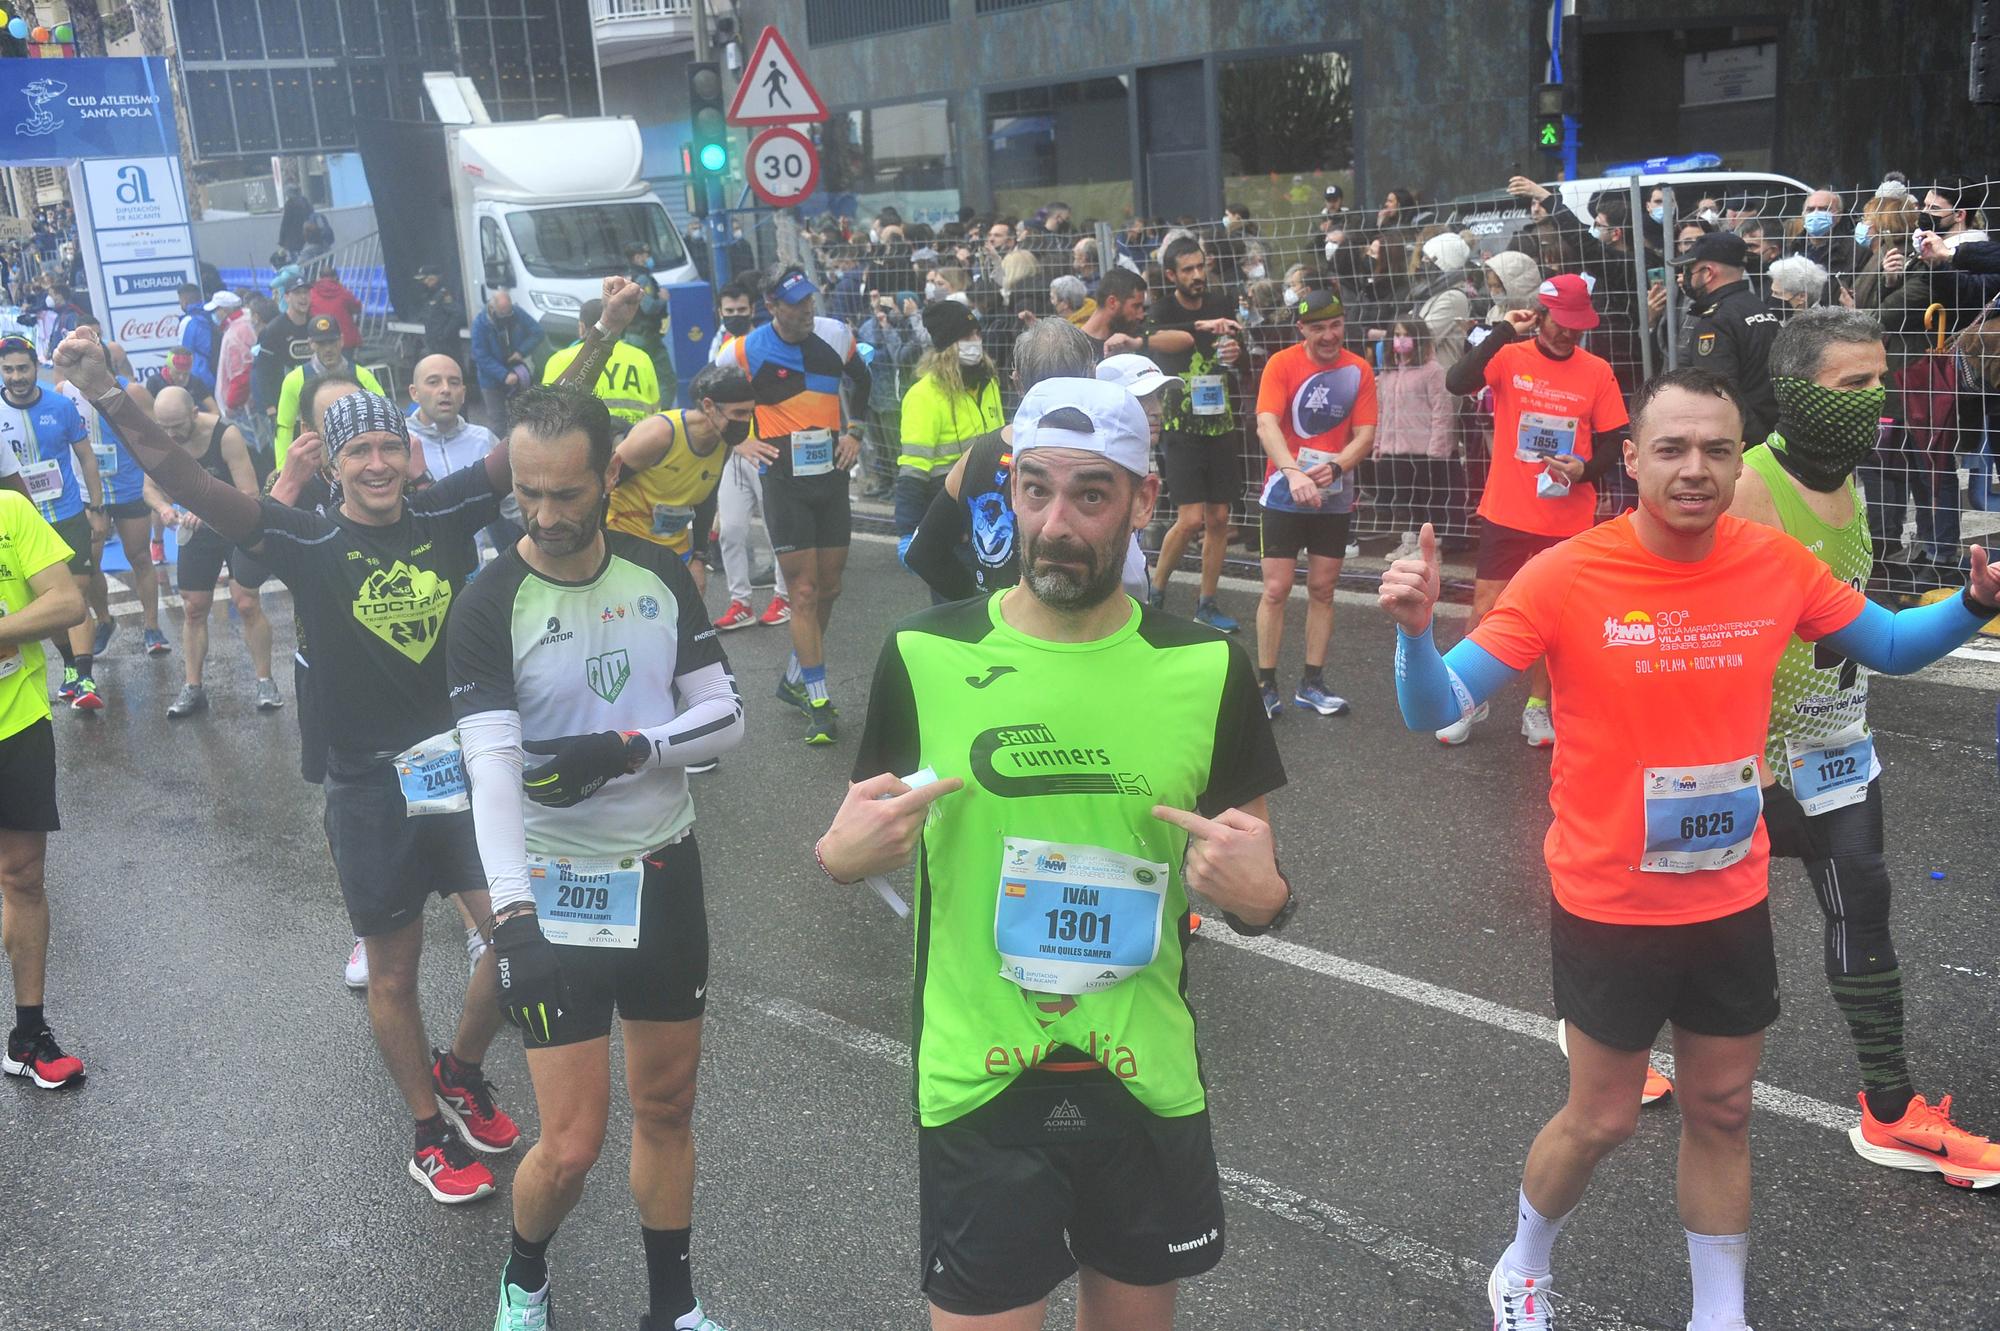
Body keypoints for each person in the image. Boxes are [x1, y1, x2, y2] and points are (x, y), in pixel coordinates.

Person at [1381, 365, 2000, 1331]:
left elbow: (1884, 642)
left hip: (1727, 895)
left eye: (1717, 448)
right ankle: (1522, 1266)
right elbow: (1435, 705)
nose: (1696, 468)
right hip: (1609, 902)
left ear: (1736, 458)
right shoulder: (1566, 573)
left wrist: (1970, 602)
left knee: (1723, 1109)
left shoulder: (1774, 562)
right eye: (1671, 448)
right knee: (1604, 1117)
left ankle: (1721, 1314)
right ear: (1631, 461)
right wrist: (1417, 636)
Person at [56, 279, 642, 1202]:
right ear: (334, 464)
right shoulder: (304, 535)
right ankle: (423, 1129)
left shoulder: (446, 511)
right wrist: (107, 391)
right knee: (397, 971)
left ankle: (461, 1066)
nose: (375, 463)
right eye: (357, 449)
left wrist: (603, 333)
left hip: (462, 775)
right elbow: (182, 475)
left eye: (386, 446)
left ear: (409, 453)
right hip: (366, 787)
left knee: (519, 940)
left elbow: (545, 422)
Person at [818, 374, 1292, 1331]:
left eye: (1090, 494)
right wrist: (838, 855)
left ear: (1143, 500)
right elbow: (852, 836)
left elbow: (1256, 875)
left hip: (1140, 1073)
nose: (1057, 523)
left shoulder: (1205, 668)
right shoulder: (924, 654)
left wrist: (1265, 899)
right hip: (982, 1076)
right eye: (1035, 490)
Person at [447, 385, 746, 1331]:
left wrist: (633, 749)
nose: (544, 514)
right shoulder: (492, 598)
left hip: (663, 871)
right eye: (526, 494)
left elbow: (725, 718)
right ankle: (525, 1275)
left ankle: (674, 1305)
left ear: (608, 470)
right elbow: (491, 773)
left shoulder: (659, 570)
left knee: (667, 1105)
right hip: (557, 893)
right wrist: (511, 919)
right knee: (571, 1143)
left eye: (566, 492)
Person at [1710, 309, 2000, 1184]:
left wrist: (1976, 599)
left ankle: (1889, 1109)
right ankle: (1603, 1040)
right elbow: (1708, 635)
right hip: (1748, 761)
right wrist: (1745, 764)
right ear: (1795, 392)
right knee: (1697, 930)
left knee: (1861, 909)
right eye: (1852, 385)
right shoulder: (1749, 488)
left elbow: (1874, 634)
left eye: (1879, 381)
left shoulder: (1853, 480)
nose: (1875, 401)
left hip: (1838, 747)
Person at [1438, 274, 1628, 748]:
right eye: (1561, 322)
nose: (1569, 333)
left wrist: (1583, 470)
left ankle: (1539, 707)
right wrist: (1503, 329)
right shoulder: (1509, 355)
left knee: (1555, 619)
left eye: (1577, 325)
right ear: (1538, 316)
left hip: (1567, 516)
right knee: (1486, 608)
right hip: (1507, 508)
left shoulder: (1596, 371)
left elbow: (1614, 442)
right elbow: (1457, 381)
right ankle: (1467, 698)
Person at [733, 266, 870, 745]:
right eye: (797, 303)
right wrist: (741, 441)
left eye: (810, 300)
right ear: (772, 306)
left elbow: (864, 382)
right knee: (804, 592)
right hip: (785, 485)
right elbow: (710, 396)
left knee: (830, 587)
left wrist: (854, 433)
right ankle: (818, 701)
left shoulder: (834, 339)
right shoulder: (746, 349)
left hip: (830, 480)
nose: (808, 309)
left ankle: (795, 678)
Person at [901, 318, 1105, 601]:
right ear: (1093, 376)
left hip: (997, 630)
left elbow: (923, 552)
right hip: (1082, 632)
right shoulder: (1108, 460)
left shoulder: (980, 453)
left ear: (1017, 381)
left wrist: (975, 603)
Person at [1251, 289, 1376, 719]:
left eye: (1335, 325)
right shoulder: (1281, 364)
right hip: (1284, 490)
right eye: (1318, 327)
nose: (1329, 335)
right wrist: (1291, 471)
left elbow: (1364, 435)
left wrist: (1338, 467)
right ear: (1301, 329)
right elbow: (1266, 422)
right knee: (1276, 589)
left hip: (1334, 494)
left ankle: (1312, 683)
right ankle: (1266, 684)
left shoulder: (1358, 369)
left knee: (1323, 589)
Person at [0, 483, 88, 1090]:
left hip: (17, 722)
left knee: (23, 876)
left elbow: (67, 603)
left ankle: (28, 1034)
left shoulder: (9, 512)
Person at [145, 387, 281, 718]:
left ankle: (265, 681)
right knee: (193, 609)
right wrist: (164, 508)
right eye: (164, 427)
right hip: (197, 532)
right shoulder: (161, 438)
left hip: (234, 524)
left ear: (194, 413)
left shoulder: (225, 434)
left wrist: (207, 510)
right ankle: (193, 687)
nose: (171, 434)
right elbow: (149, 488)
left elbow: (249, 492)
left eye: (177, 426)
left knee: (247, 603)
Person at [1139, 238, 1245, 630]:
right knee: (1189, 520)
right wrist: (1198, 326)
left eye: (1200, 267)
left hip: (1220, 424)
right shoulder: (1163, 310)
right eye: (1187, 269)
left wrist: (1237, 351)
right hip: (1180, 427)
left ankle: (1207, 603)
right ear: (1172, 276)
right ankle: (1156, 592)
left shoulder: (1222, 303)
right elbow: (1150, 336)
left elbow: (1241, 349)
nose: (1197, 275)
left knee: (1219, 518)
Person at [0, 334, 106, 710]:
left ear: (36, 368)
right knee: (49, 606)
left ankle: (86, 676)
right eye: (8, 369)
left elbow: (86, 457)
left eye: (23, 368)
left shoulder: (61, 406)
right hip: (23, 526)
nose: (16, 376)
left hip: (67, 513)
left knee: (73, 595)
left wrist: (97, 505)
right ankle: (71, 667)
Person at [47, 347, 168, 660]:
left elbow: (156, 437)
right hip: (89, 493)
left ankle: (152, 626)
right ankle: (105, 621)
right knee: (92, 564)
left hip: (127, 487)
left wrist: (152, 481)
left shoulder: (133, 392)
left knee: (139, 556)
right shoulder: (64, 392)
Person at [607, 364, 755, 597]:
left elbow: (706, 500)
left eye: (750, 413)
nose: (746, 422)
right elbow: (601, 489)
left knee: (682, 625)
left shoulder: (723, 441)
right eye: (738, 413)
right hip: (626, 542)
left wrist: (698, 559)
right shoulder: (660, 434)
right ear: (708, 407)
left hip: (672, 548)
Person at [895, 301, 1005, 573]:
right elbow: (913, 469)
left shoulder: (987, 382)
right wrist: (908, 531)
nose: (975, 342)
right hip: (950, 518)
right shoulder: (924, 396)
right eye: (967, 337)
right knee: (954, 610)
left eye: (978, 334)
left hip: (992, 516)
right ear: (947, 344)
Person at [1672, 231, 1782, 441]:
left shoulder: (1717, 320)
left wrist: (1751, 443)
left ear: (1708, 272)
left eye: (1689, 270)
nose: (1684, 277)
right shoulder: (1757, 308)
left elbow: (1718, 393)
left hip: (1745, 442)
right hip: (1772, 431)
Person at [1371, 318, 1456, 560]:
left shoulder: (1432, 371)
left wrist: (1437, 448)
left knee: (1427, 499)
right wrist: (1378, 443)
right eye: (1396, 334)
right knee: (1405, 499)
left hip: (1424, 449)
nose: (1400, 340)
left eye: (1405, 334)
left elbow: (1441, 410)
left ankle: (1431, 548)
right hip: (1394, 448)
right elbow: (1382, 411)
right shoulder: (1388, 373)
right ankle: (1409, 542)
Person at [272, 315, 384, 464]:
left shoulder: (362, 376)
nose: (328, 348)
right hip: (315, 461)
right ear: (311, 344)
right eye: (321, 343)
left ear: (341, 341)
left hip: (358, 457)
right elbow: (284, 427)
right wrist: (283, 469)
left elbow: (384, 417)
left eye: (332, 342)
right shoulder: (295, 380)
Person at [541, 297, 660, 430]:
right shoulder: (641, 358)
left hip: (585, 441)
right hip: (634, 439)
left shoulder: (558, 360)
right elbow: (655, 412)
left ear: (581, 327)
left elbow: (548, 412)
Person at [254, 275, 316, 457]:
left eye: (306, 292)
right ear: (286, 297)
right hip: (285, 406)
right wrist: (270, 407)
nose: (303, 297)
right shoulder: (273, 330)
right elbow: (263, 371)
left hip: (313, 404)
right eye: (297, 293)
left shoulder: (315, 326)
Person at [472, 289, 544, 429]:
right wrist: (503, 374)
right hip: (491, 379)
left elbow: (538, 332)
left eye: (508, 311)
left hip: (517, 371)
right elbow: (480, 356)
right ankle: (499, 448)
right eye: (503, 312)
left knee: (523, 414)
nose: (507, 315)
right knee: (497, 419)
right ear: (492, 308)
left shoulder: (516, 312)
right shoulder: (480, 324)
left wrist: (521, 352)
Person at [415, 264, 463, 365]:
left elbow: (457, 314)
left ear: (433, 278)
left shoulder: (443, 294)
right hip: (433, 345)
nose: (424, 282)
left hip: (446, 347)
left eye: (425, 279)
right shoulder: (429, 295)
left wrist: (444, 334)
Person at [309, 268, 364, 352]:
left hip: (320, 339)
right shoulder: (344, 292)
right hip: (343, 340)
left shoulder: (311, 293)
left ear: (319, 278)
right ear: (335, 277)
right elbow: (357, 308)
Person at [176, 283, 218, 389]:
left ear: (184, 301)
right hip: (219, 375)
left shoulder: (188, 321)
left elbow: (182, 354)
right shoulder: (213, 316)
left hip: (198, 379)